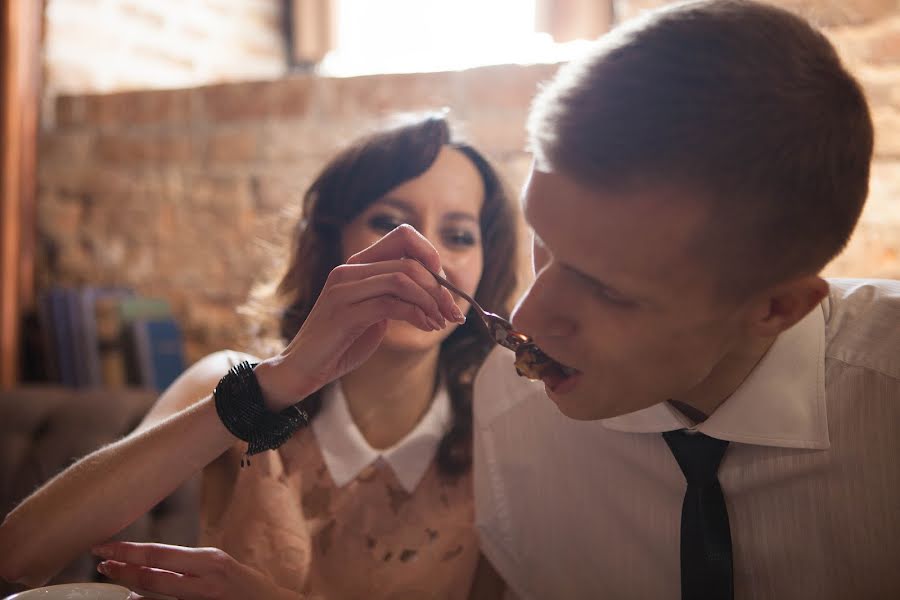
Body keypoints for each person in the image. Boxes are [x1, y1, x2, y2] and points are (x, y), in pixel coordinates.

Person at [467, 1, 900, 599]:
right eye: (540, 241)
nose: (528, 318)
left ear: (776, 308)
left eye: (608, 290)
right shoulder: (506, 411)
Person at [0, 114, 519, 599]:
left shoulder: (501, 438)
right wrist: (274, 383)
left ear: (483, 269)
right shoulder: (231, 380)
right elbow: (19, 556)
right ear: (331, 246)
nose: (422, 255)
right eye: (387, 221)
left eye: (457, 235)